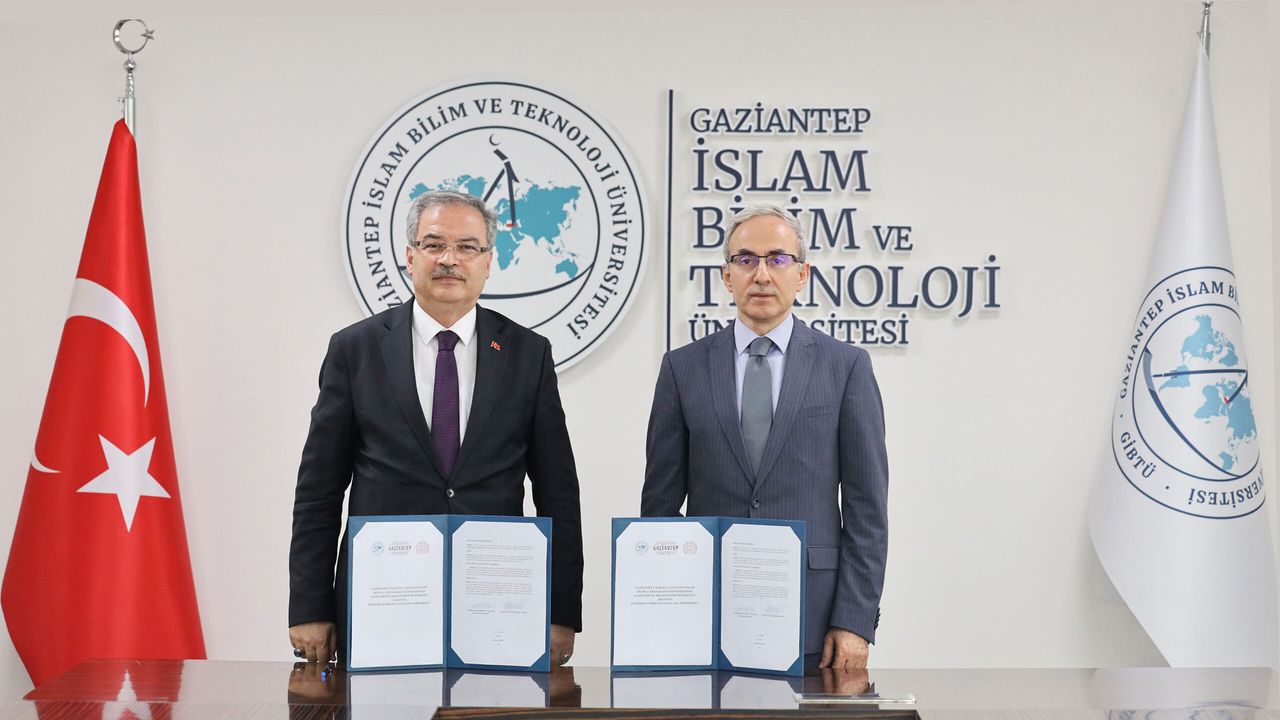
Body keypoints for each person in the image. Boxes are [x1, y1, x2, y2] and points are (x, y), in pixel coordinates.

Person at [288, 190, 583, 666]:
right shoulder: (355, 350)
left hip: (495, 602)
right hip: (382, 600)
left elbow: (559, 494)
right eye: (434, 244)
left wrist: (561, 611)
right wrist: (310, 607)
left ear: (488, 262)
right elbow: (318, 492)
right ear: (410, 256)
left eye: (467, 247)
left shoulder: (528, 354)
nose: (449, 259)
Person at [642, 205, 888, 669]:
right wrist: (666, 610)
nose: (761, 274)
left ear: (802, 274)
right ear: (726, 275)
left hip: (815, 618)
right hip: (707, 613)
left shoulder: (846, 367)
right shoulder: (682, 368)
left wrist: (854, 621)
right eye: (745, 260)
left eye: (777, 259)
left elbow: (867, 508)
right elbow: (659, 508)